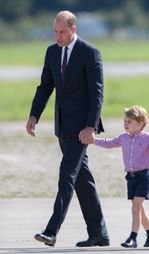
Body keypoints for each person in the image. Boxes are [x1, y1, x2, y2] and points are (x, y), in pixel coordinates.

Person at [26, 11, 109, 247]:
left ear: (73, 29)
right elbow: (45, 86)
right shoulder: (52, 52)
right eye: (55, 31)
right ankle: (99, 233)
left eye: (62, 32)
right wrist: (34, 115)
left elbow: (97, 93)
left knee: (67, 175)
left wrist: (90, 126)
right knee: (83, 179)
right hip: (63, 126)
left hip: (82, 129)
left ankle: (51, 230)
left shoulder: (90, 53)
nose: (58, 36)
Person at [90, 105, 149, 248]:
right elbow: (109, 143)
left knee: (136, 207)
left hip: (143, 177)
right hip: (130, 178)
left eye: (129, 122)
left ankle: (133, 238)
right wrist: (93, 141)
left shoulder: (148, 138)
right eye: (124, 121)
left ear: (140, 123)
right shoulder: (123, 137)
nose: (125, 124)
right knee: (139, 209)